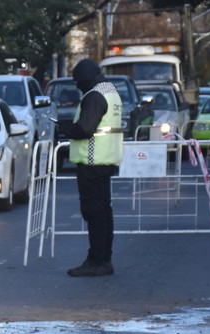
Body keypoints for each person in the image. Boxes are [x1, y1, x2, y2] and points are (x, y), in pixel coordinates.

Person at [59, 57, 123, 277]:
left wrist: (66, 128)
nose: (78, 87)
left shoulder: (95, 96)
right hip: (106, 160)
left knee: (94, 212)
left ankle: (97, 261)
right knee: (104, 212)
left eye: (79, 83)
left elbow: (85, 129)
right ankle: (104, 259)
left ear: (85, 80)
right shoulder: (111, 92)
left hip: (92, 161)